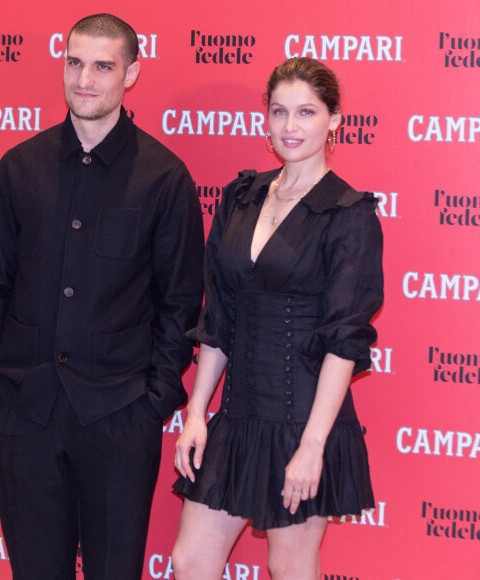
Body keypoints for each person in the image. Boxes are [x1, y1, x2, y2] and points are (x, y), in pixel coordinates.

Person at [0, 13, 204, 580]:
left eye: (103, 65)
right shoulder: (19, 167)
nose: (84, 80)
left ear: (132, 74)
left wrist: (153, 405)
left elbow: (179, 304)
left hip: (120, 417)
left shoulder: (165, 178)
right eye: (74, 62)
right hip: (23, 411)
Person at [172, 57, 383, 580]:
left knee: (289, 566)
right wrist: (198, 410)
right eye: (279, 112)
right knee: (190, 560)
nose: (290, 127)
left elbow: (344, 341)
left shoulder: (348, 213)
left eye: (307, 112)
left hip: (305, 420)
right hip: (239, 414)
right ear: (265, 118)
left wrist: (312, 448)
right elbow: (219, 315)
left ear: (335, 120)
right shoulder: (240, 197)